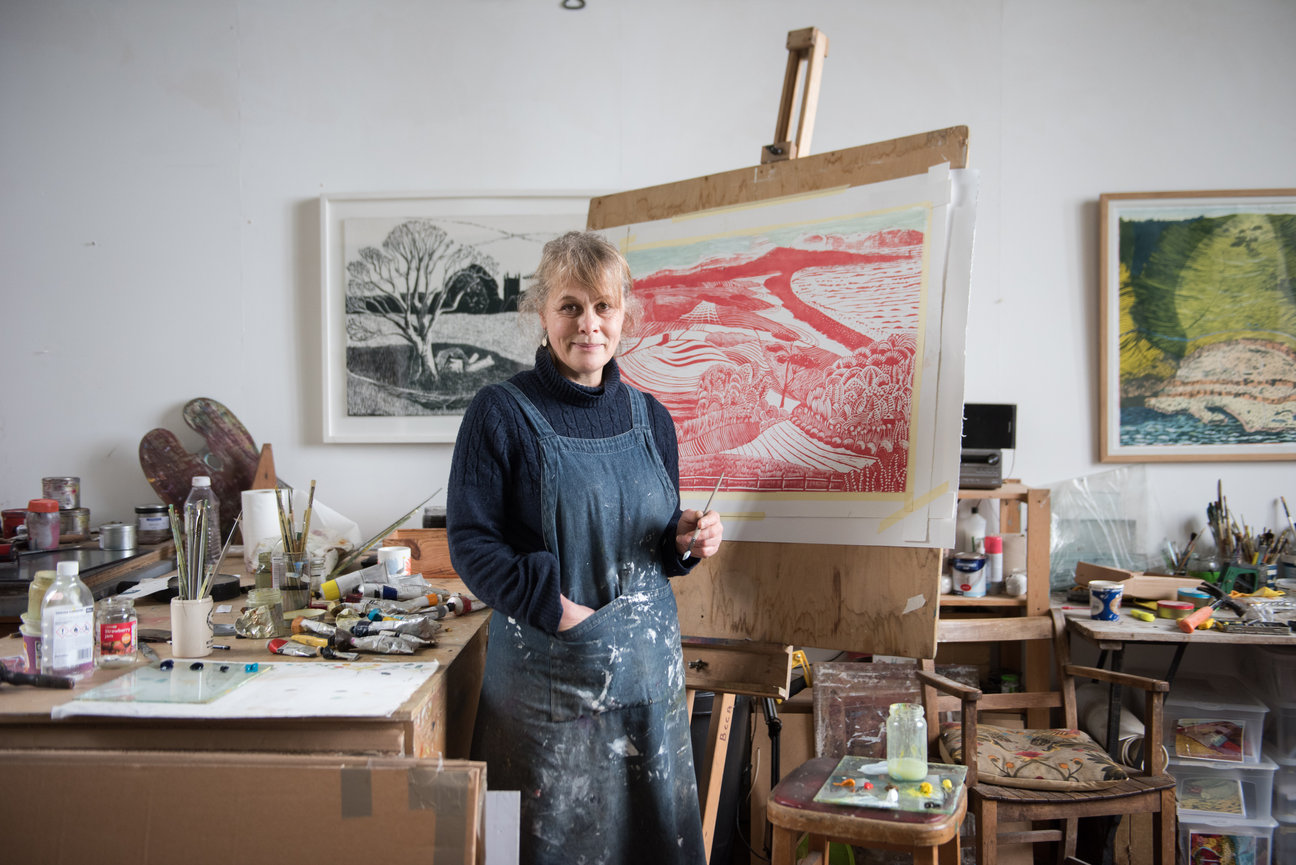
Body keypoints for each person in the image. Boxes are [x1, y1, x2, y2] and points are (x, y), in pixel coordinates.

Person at [447, 230, 724, 865]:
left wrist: (684, 540)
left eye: (604, 306)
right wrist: (557, 610)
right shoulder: (499, 413)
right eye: (570, 306)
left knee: (650, 845)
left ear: (624, 314)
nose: (588, 324)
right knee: (541, 845)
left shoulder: (652, 417)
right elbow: (471, 544)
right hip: (549, 689)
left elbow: (651, 542)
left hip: (647, 684)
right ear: (541, 313)